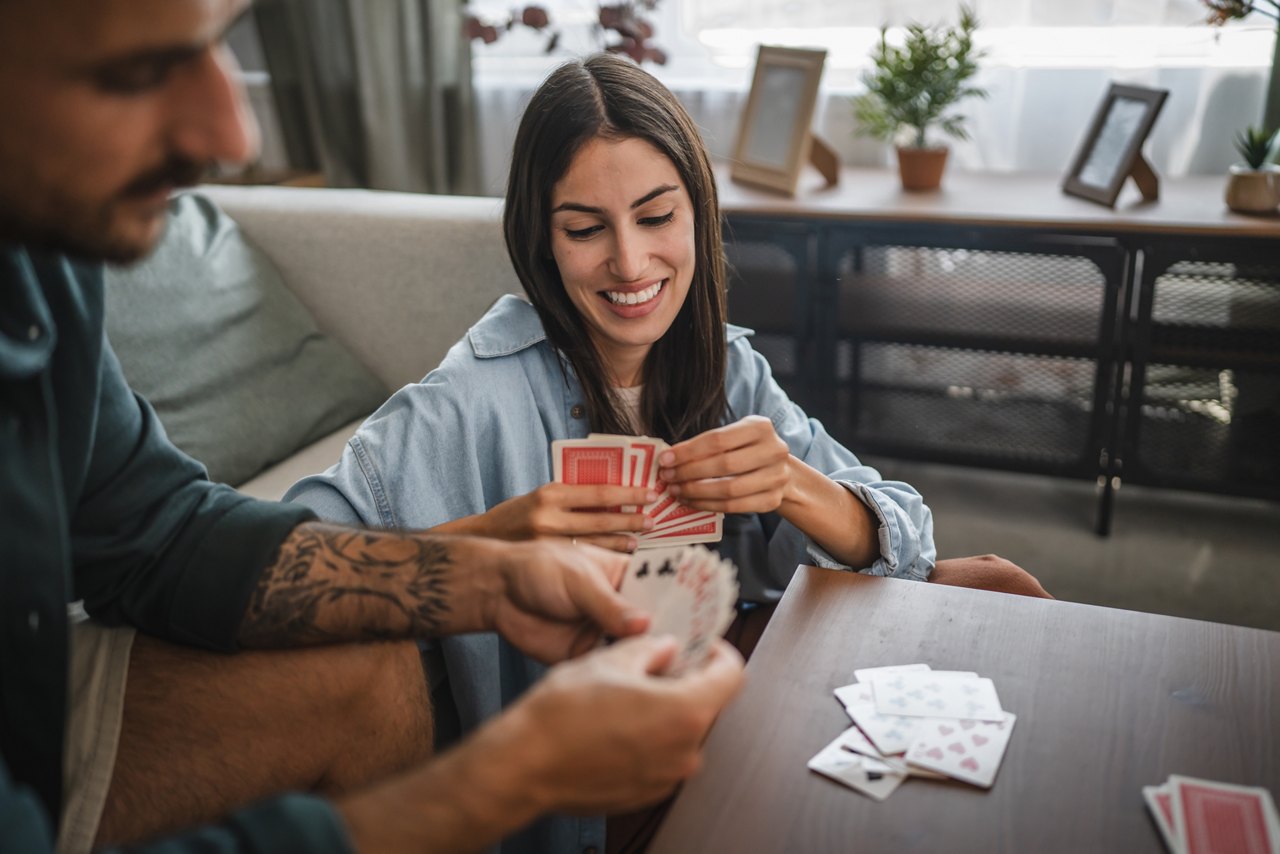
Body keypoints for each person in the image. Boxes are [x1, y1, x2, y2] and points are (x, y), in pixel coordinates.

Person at [0, 2, 746, 853]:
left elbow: (157, 536)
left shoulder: (38, 257)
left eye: (213, 47)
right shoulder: (471, 396)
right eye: (133, 72)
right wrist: (513, 773)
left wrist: (484, 577)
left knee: (375, 653)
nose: (234, 135)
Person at [286, 51, 1050, 852]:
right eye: (585, 229)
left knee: (1000, 586)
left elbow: (901, 537)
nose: (629, 262)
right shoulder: (468, 400)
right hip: (597, 762)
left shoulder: (721, 361)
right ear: (543, 242)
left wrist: (792, 483)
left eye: (656, 217)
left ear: (697, 211)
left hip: (729, 671)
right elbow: (283, 569)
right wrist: (497, 543)